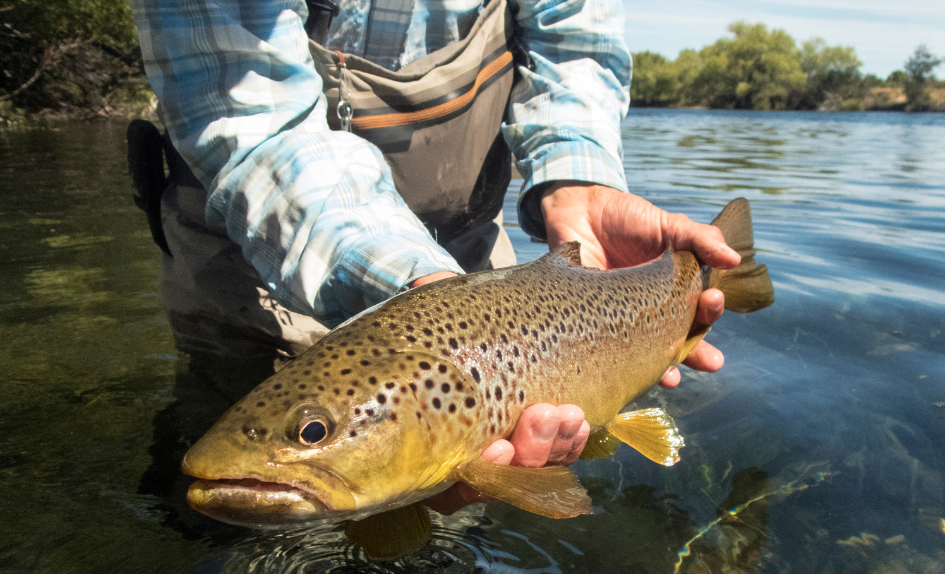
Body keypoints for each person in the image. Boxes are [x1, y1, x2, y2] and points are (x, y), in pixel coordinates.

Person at [128, 0, 739, 514]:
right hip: (249, 243)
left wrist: (576, 182)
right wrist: (424, 283)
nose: (309, 436)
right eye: (311, 431)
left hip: (467, 250)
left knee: (451, 521)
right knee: (201, 504)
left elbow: (573, 41)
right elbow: (249, 115)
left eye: (313, 433)